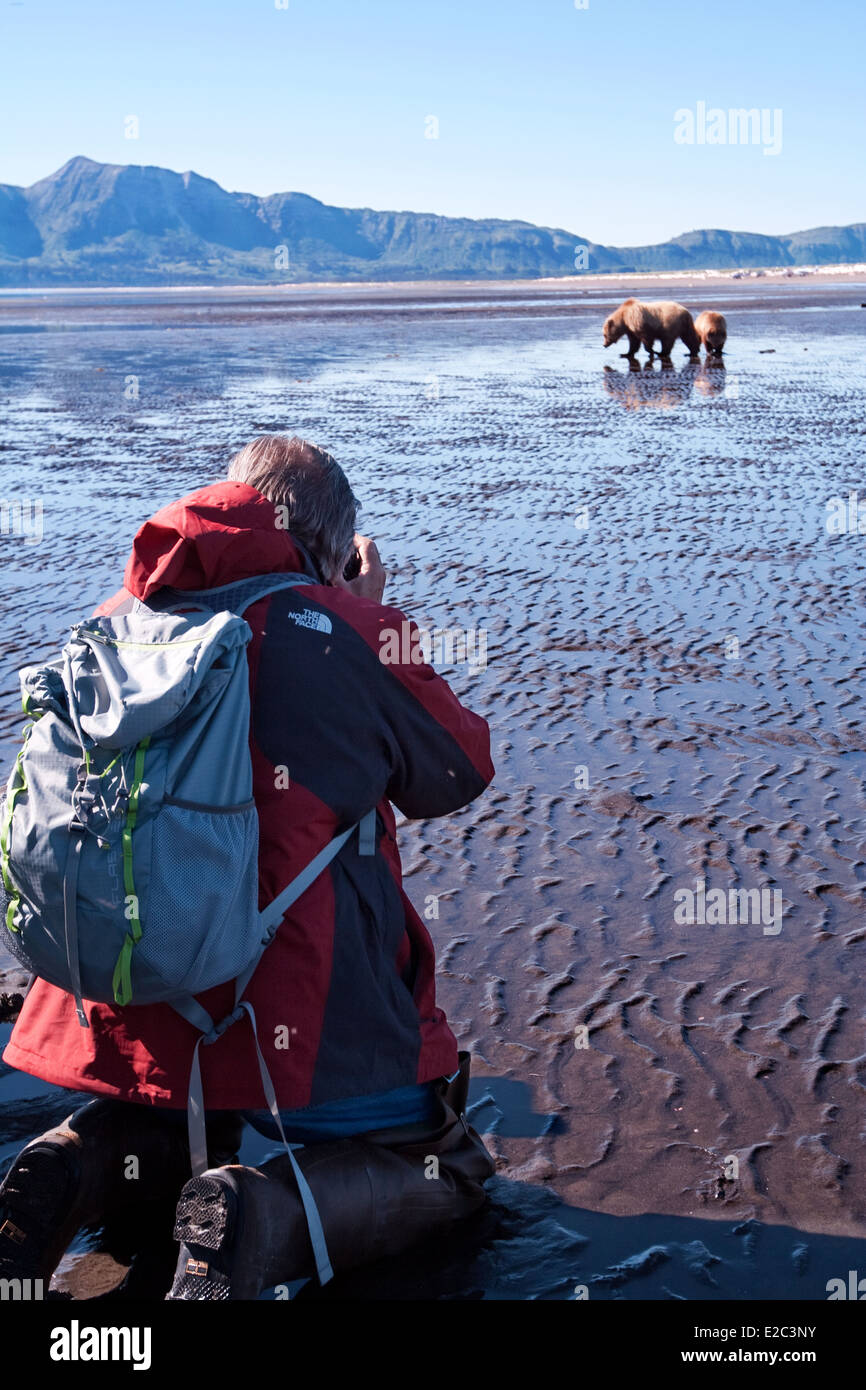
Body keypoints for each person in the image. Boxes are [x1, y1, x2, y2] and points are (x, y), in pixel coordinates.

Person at [0, 434, 495, 1299]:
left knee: (172, 1121)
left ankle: (73, 1164)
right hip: (306, 1026)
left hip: (124, 1013)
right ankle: (262, 1216)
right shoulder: (353, 628)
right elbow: (457, 773)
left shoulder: (118, 617)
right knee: (445, 1173)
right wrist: (363, 611)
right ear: (334, 546)